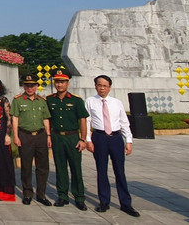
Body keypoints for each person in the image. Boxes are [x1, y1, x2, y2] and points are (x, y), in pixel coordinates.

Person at [85, 75, 140, 217]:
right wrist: (88, 140)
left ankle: (126, 203)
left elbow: (124, 122)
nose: (102, 88)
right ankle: (104, 202)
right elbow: (87, 122)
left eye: (105, 85)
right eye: (99, 85)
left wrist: (128, 141)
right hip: (99, 137)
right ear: (95, 86)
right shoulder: (90, 101)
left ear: (109, 87)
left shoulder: (116, 102)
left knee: (120, 171)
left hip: (115, 138)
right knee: (101, 170)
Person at [47, 71, 89, 210]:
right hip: (57, 137)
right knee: (60, 167)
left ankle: (79, 197)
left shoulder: (76, 100)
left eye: (62, 82)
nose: (59, 84)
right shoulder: (50, 99)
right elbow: (47, 119)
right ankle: (62, 196)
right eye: (57, 81)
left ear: (67, 83)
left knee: (76, 168)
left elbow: (82, 120)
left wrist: (83, 139)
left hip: (72, 137)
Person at [11, 75, 52, 206]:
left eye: (32, 85)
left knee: (42, 167)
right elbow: (15, 119)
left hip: (40, 136)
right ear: (24, 86)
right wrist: (16, 136)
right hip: (25, 135)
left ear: (36, 86)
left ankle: (41, 194)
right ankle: (27, 193)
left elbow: (46, 119)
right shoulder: (17, 100)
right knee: (26, 166)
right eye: (27, 85)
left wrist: (48, 136)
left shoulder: (41, 100)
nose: (30, 88)